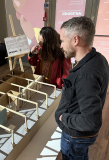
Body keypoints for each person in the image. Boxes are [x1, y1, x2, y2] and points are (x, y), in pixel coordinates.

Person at [55, 16, 109, 160]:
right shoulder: (99, 58)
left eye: (62, 41)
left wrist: (64, 117)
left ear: (75, 40)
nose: (61, 46)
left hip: (75, 137)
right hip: (80, 137)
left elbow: (91, 121)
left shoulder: (86, 75)